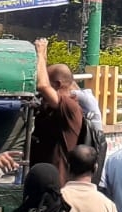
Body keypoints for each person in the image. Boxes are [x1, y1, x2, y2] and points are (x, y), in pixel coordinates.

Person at [29, 41, 83, 173]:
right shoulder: (52, 106)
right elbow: (45, 82)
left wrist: (40, 54)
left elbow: (43, 85)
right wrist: (43, 57)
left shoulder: (70, 106)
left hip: (57, 178)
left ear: (58, 84)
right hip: (42, 173)